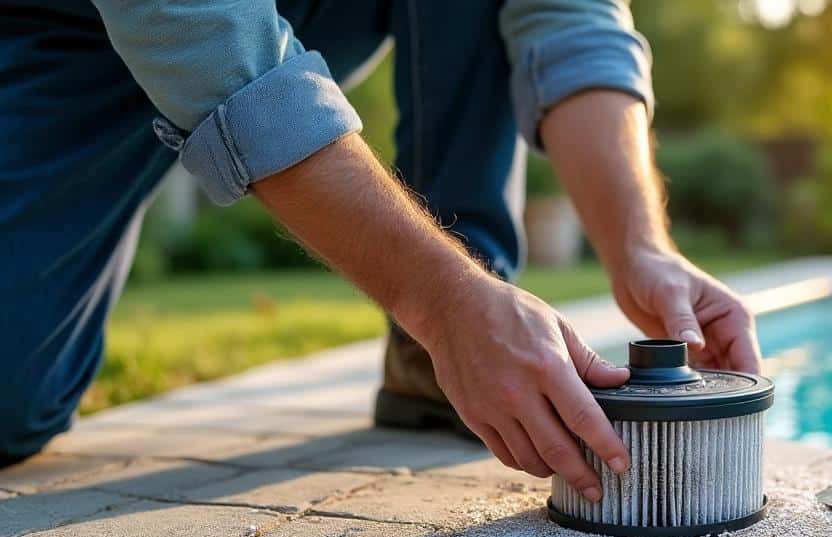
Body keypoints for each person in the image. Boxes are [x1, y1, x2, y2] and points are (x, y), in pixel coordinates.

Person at [0, 0, 762, 504]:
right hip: (63, 30)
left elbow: (566, 15)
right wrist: (444, 297)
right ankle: (465, 323)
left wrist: (641, 246)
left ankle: (439, 359)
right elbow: (196, 27)